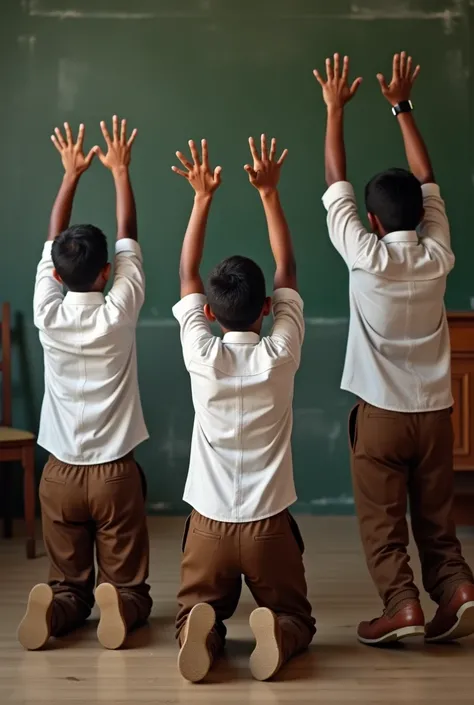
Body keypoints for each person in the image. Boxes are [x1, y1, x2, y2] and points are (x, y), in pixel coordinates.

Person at [314, 51, 474, 645]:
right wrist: (401, 106)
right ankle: (456, 588)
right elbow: (428, 179)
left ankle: (402, 606)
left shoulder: (367, 255)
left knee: (382, 524)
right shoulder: (438, 255)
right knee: (438, 520)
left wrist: (335, 110)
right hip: (435, 413)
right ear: (420, 217)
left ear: (374, 223)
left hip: (380, 416)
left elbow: (336, 183)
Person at [171, 136, 315, 681]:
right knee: (297, 616)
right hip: (268, 525)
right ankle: (276, 629)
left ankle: (198, 632)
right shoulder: (280, 355)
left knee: (191, 610)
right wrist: (270, 193)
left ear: (209, 311)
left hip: (207, 524)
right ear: (267, 309)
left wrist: (201, 198)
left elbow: (187, 274)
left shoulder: (201, 355)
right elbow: (289, 267)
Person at [17, 116, 152, 651]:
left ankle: (58, 609)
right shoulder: (120, 309)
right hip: (115, 471)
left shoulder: (46, 311)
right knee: (129, 584)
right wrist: (121, 171)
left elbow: (55, 242)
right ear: (105, 275)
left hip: (59, 471)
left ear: (57, 274)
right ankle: (120, 603)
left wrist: (70, 174)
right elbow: (130, 240)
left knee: (67, 581)